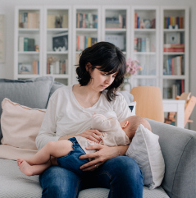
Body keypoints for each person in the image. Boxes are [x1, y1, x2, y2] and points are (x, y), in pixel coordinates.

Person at [35, 41, 144, 198]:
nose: (109, 81)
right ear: (88, 67)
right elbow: (41, 140)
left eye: (113, 76)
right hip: (65, 166)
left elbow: (135, 140)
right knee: (58, 187)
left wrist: (114, 151)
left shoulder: (116, 99)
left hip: (105, 165)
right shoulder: (61, 95)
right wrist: (72, 139)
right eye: (105, 73)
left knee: (129, 167)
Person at [17, 115, 151, 177]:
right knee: (53, 161)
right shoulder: (126, 143)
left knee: (51, 147)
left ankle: (30, 161)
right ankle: (32, 171)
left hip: (79, 148)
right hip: (88, 163)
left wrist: (105, 118)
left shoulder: (116, 125)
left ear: (125, 124)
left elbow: (96, 121)